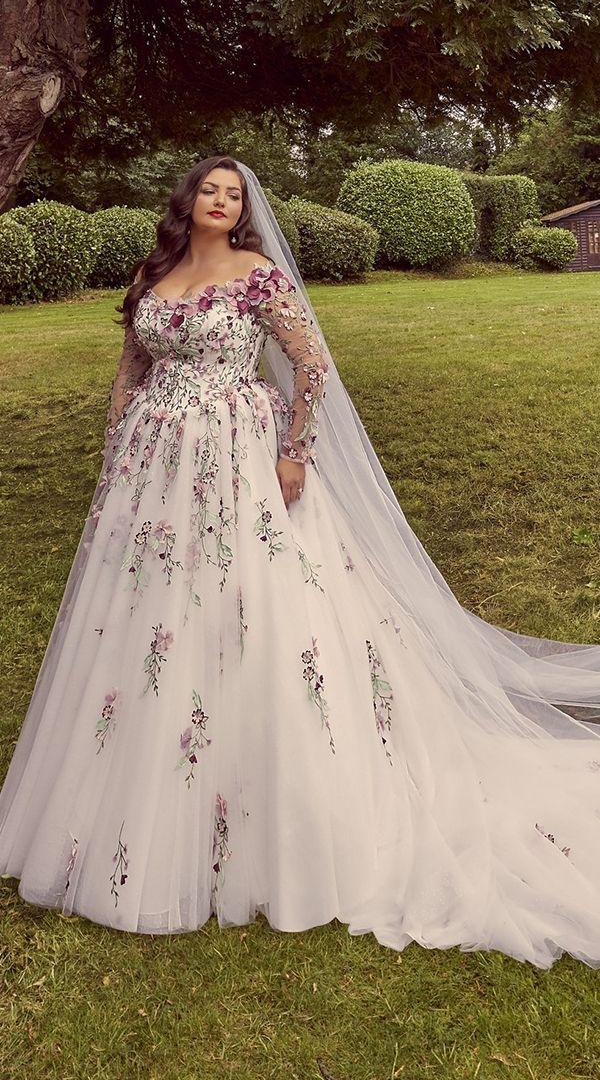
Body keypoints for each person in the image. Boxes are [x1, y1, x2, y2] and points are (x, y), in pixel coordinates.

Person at [3, 154, 600, 972]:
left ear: (244, 208)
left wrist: (293, 454)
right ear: (188, 201)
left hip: (236, 451)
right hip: (154, 462)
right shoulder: (156, 270)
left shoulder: (258, 276)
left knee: (256, 604)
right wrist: (114, 454)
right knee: (149, 615)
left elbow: (311, 364)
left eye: (233, 193)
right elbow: (131, 369)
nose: (219, 200)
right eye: (208, 190)